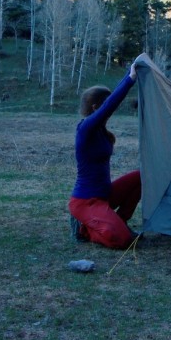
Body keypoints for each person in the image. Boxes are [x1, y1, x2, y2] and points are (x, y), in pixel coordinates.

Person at [68, 58, 142, 249]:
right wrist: (130, 79)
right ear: (95, 108)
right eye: (105, 105)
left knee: (141, 176)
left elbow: (109, 101)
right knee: (123, 240)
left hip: (105, 195)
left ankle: (120, 221)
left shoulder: (101, 130)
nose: (110, 111)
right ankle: (84, 229)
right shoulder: (85, 128)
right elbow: (111, 103)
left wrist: (131, 71)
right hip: (86, 202)